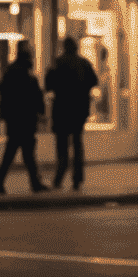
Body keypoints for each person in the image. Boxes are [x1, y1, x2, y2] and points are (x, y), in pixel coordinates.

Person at [45, 36, 99, 191]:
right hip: (79, 110)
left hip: (61, 110)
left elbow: (48, 85)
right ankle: (77, 179)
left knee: (62, 146)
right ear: (76, 47)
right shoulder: (84, 63)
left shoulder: (57, 63)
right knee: (77, 144)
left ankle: (59, 178)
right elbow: (93, 81)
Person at [0, 44, 48, 195]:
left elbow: (3, 93)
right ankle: (34, 183)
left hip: (14, 119)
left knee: (14, 152)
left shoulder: (10, 72)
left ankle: (2, 183)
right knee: (26, 153)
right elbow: (36, 97)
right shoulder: (28, 77)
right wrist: (41, 113)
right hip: (26, 120)